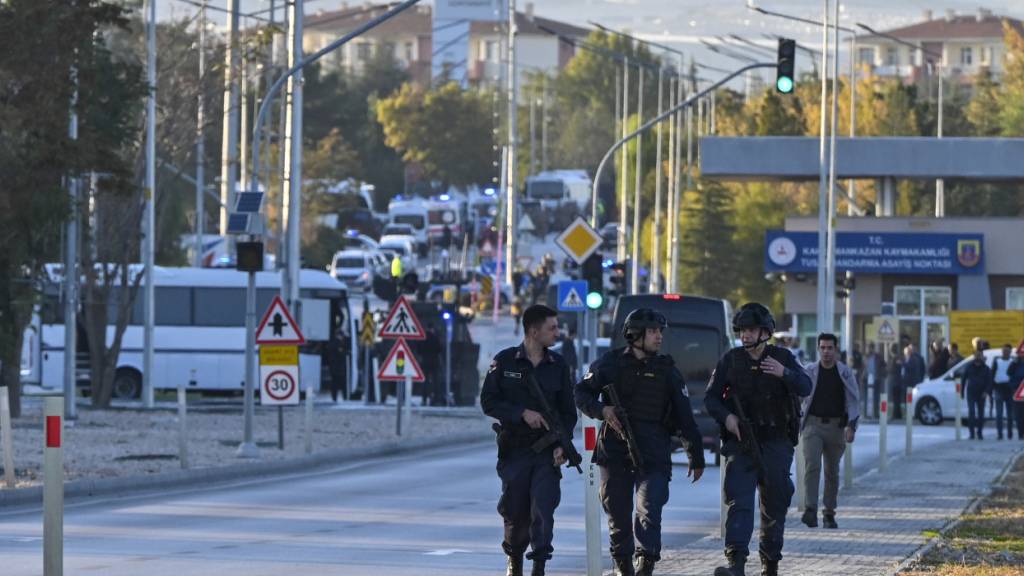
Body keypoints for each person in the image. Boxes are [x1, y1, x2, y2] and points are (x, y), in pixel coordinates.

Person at [575, 308, 705, 576]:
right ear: (636, 335)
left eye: (660, 331)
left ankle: (646, 563)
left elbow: (684, 416)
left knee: (649, 508)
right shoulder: (608, 364)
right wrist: (603, 411)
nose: (659, 337)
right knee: (618, 515)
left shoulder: (667, 371)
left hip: (654, 450)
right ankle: (624, 566)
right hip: (614, 449)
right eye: (653, 331)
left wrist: (696, 455)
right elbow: (581, 392)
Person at [706, 303, 812, 576]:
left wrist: (784, 373)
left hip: (776, 442)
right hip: (740, 443)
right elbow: (711, 398)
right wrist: (727, 419)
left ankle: (770, 562)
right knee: (739, 500)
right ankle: (736, 564)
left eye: (751, 330)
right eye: (742, 330)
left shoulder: (783, 357)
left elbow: (806, 385)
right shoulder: (731, 360)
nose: (746, 335)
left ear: (765, 331)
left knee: (774, 502)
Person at [480, 304, 577, 576]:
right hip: (515, 449)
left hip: (547, 451)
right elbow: (488, 401)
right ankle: (515, 559)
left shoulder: (558, 366)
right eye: (552, 328)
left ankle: (539, 565)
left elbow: (568, 413)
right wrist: (520, 413)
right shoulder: (505, 361)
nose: (557, 332)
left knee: (543, 506)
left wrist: (561, 443)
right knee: (516, 509)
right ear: (534, 331)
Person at [800, 333, 859, 530]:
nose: (826, 352)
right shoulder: (809, 371)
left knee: (832, 472)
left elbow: (853, 400)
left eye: (830, 348)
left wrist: (851, 426)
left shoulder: (844, 373)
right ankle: (810, 509)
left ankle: (829, 513)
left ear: (836, 350)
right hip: (812, 425)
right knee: (812, 465)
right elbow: (798, 394)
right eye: (822, 348)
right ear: (818, 349)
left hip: (836, 427)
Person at [960, 348, 993, 440]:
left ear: (982, 356)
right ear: (974, 356)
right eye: (976, 355)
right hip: (971, 392)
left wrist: (986, 392)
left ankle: (980, 432)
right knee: (972, 412)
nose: (978, 357)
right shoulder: (969, 367)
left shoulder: (986, 369)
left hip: (981, 393)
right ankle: (971, 433)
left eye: (980, 355)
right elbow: (963, 380)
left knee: (981, 413)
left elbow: (989, 382)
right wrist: (962, 392)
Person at [990, 344, 1016, 440]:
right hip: (999, 388)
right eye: (1004, 350)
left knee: (1010, 414)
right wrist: (991, 388)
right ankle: (1000, 433)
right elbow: (992, 375)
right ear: (1002, 351)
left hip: (1009, 389)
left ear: (1010, 352)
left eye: (1007, 351)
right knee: (999, 413)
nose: (1005, 352)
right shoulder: (997, 361)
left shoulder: (1012, 362)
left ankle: (1010, 433)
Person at [419, 325, 443, 406]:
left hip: (425, 362)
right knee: (435, 381)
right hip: (434, 362)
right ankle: (435, 399)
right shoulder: (435, 338)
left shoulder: (423, 338)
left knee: (425, 382)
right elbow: (439, 349)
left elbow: (419, 350)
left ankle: (424, 399)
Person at [1008, 347, 1024, 441]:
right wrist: (1014, 362)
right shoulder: (1015, 364)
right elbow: (1008, 372)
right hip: (1017, 391)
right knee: (1018, 414)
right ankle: (1020, 433)